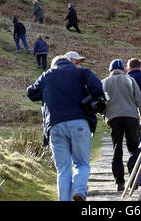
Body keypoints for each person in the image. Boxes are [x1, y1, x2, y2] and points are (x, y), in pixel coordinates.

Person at [26, 53, 104, 201]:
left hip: (55, 125)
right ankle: (79, 191)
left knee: (63, 169)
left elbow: (31, 93)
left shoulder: (47, 75)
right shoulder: (81, 72)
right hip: (80, 122)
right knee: (81, 163)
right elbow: (98, 89)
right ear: (70, 62)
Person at [101, 59, 141, 192]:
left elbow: (100, 104)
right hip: (131, 117)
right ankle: (132, 171)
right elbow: (140, 101)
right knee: (135, 149)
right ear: (123, 69)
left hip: (114, 119)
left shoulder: (103, 83)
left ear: (110, 70)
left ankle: (119, 182)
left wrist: (106, 115)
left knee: (117, 151)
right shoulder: (130, 80)